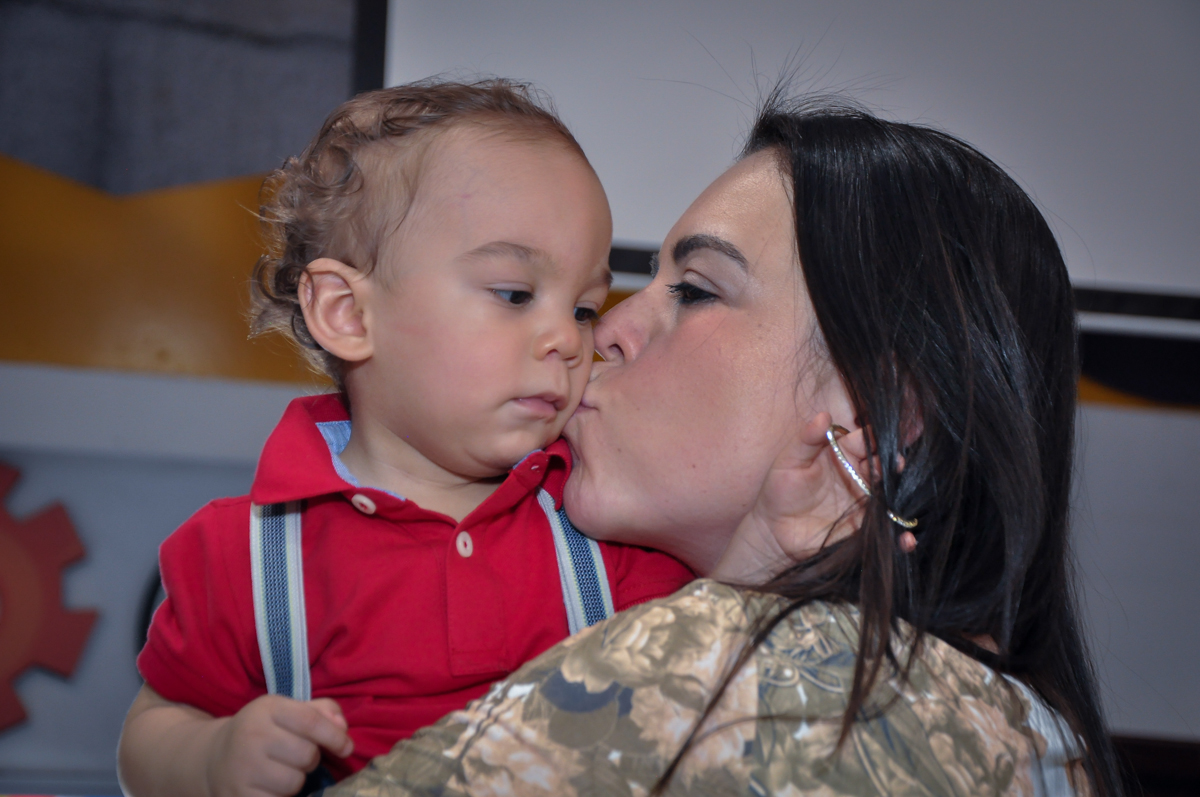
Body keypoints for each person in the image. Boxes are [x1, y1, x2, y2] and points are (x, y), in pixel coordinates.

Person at [321, 97, 1121, 796]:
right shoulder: (1029, 729)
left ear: (873, 416)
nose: (606, 332)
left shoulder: (711, 678)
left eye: (697, 291)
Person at [116, 80, 692, 797]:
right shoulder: (244, 556)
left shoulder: (611, 520)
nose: (566, 340)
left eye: (581, 307)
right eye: (515, 293)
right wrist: (212, 757)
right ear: (348, 314)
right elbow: (150, 731)